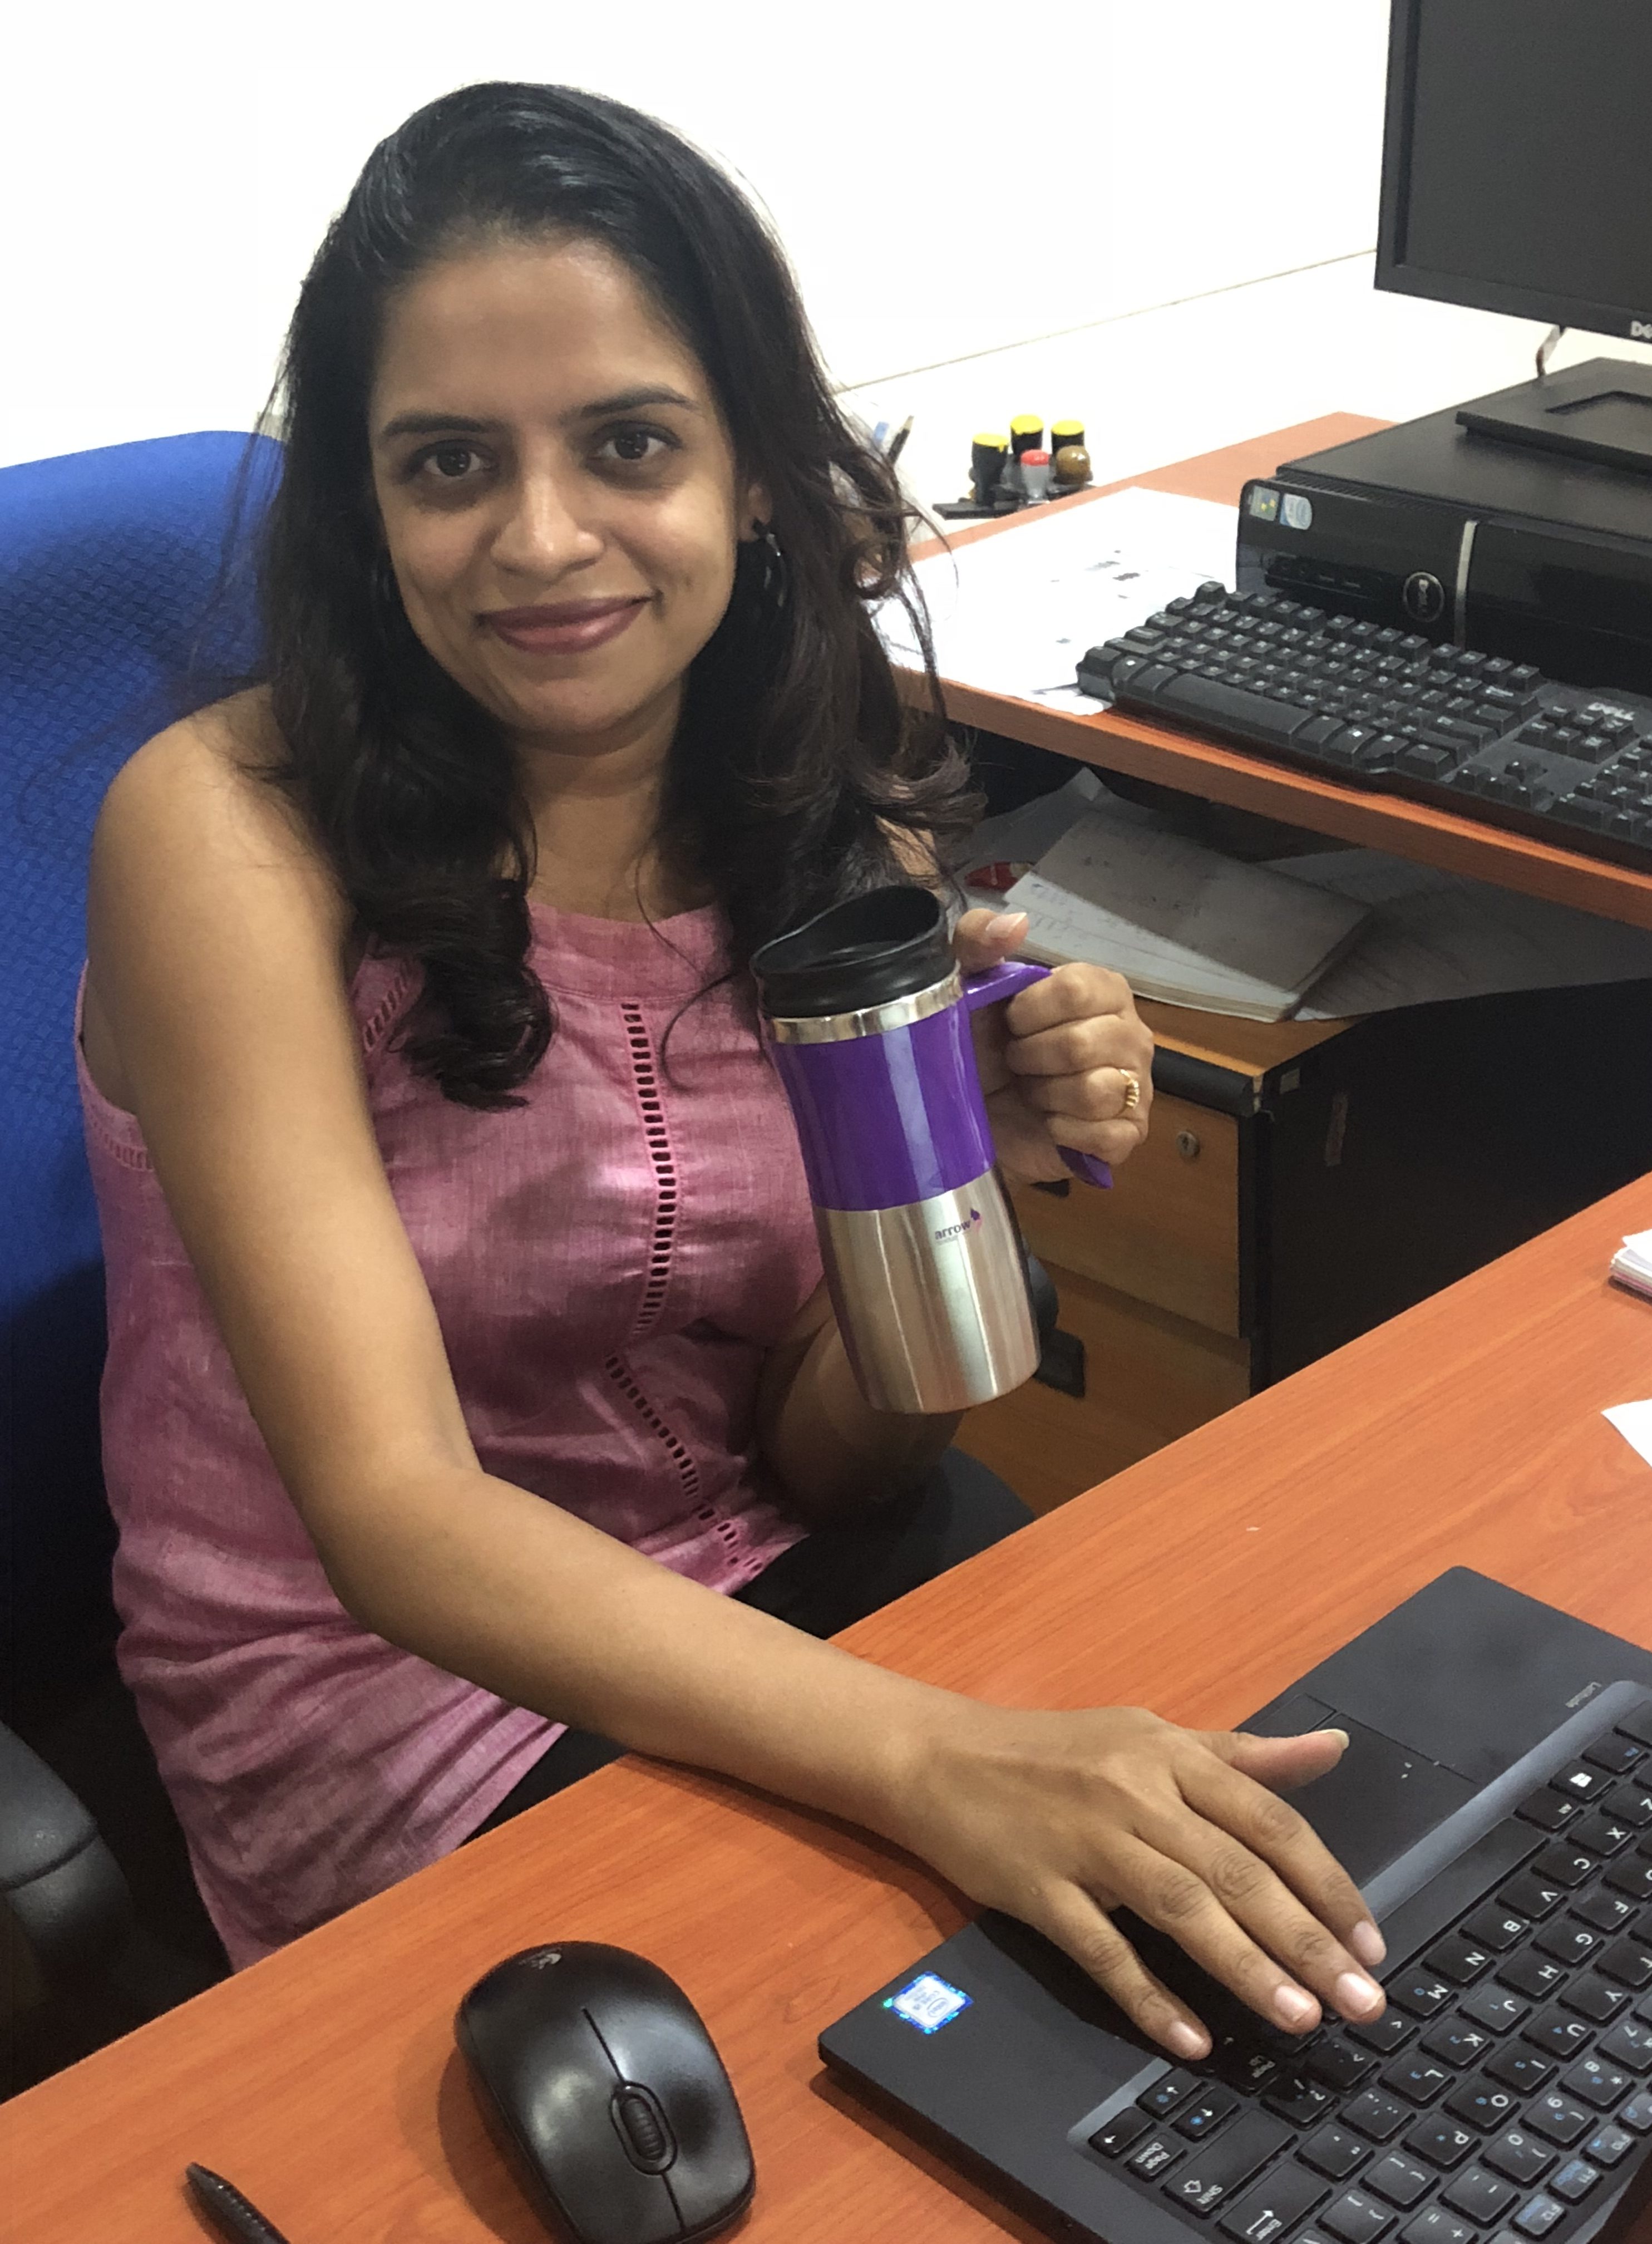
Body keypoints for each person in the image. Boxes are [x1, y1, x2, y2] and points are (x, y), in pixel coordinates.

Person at [77, 81, 1387, 2055]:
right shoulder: (223, 837)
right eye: (450, 463)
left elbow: (830, 1458)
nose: (542, 541)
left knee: (1250, 1953)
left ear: (757, 472)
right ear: (365, 504)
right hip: (396, 1687)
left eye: (628, 444)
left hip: (763, 1572)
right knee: (937, 2060)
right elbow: (396, 1517)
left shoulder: (832, 812)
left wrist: (951, 1197)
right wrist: (939, 1760)